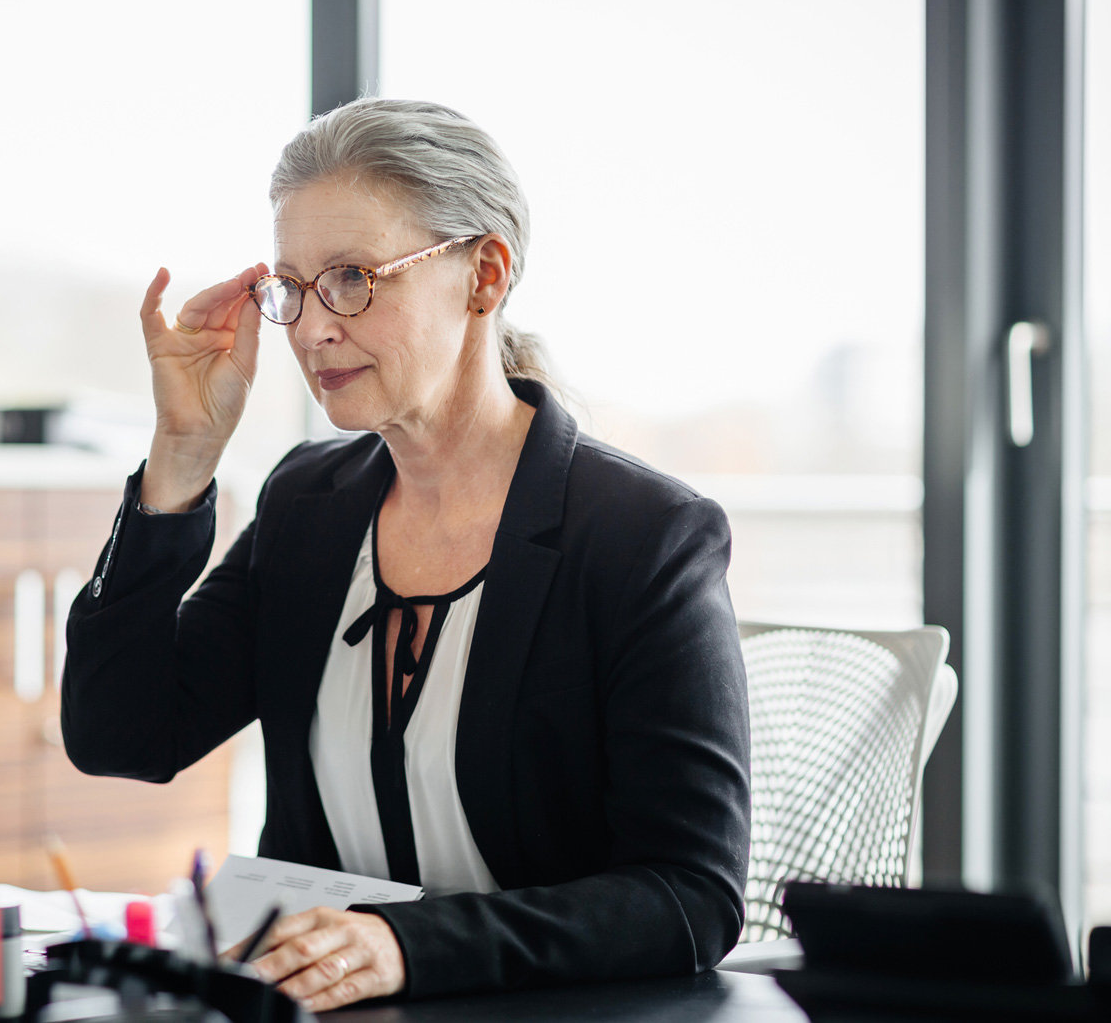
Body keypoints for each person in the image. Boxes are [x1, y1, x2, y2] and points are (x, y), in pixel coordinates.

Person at [62, 98, 750, 1010]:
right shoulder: (309, 503)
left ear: (484, 274)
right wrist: (182, 460)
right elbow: (123, 735)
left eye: (353, 277)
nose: (311, 329)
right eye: (294, 288)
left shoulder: (642, 536)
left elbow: (690, 896)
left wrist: (405, 945)